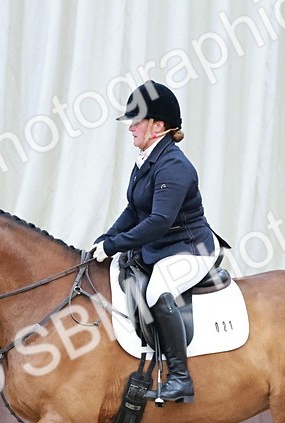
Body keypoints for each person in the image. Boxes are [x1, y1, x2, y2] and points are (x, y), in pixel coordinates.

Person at [88, 81, 219, 403]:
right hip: (160, 247)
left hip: (190, 248)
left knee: (158, 291)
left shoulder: (174, 165)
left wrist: (114, 245)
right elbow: (134, 209)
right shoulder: (146, 160)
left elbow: (159, 221)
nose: (130, 127)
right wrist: (105, 239)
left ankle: (180, 378)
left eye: (137, 121)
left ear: (158, 126)